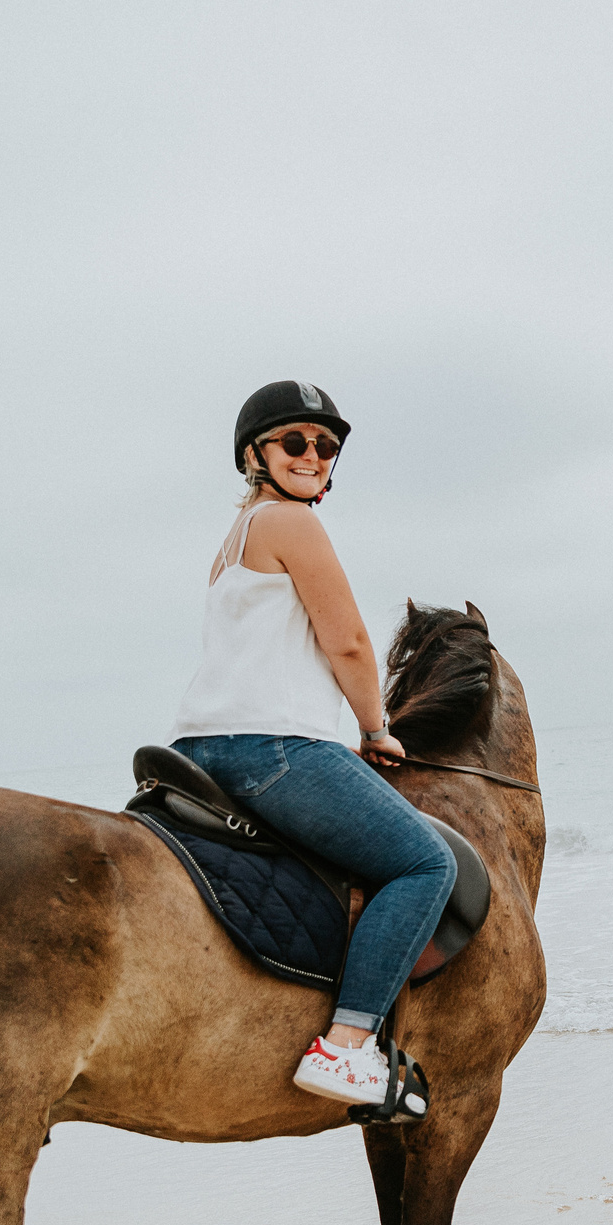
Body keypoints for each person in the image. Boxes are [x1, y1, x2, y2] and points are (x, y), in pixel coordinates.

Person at [170, 379, 457, 1114]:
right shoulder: (291, 522)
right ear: (254, 455)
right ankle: (348, 1045)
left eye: (325, 446)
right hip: (276, 748)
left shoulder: (230, 544)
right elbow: (351, 642)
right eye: (294, 441)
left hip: (202, 749)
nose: (312, 455)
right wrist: (374, 727)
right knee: (426, 862)